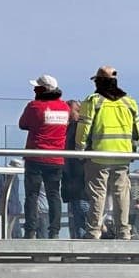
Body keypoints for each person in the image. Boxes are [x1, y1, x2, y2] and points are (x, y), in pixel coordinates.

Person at [75, 65, 139, 240]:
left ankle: (94, 231)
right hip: (123, 156)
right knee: (122, 194)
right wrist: (133, 149)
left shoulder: (93, 101)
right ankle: (124, 232)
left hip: (99, 155)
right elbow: (137, 133)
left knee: (98, 195)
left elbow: (84, 128)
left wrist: (80, 150)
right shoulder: (129, 102)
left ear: (99, 82)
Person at [18, 74, 69, 238]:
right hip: (56, 158)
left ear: (43, 89)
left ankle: (30, 230)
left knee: (32, 194)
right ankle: (54, 231)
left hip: (35, 156)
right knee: (54, 194)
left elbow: (23, 124)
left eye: (37, 87)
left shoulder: (34, 106)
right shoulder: (65, 108)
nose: (34, 89)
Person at [62, 99, 89, 238]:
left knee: (82, 213)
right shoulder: (68, 129)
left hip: (79, 182)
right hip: (72, 183)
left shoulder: (78, 128)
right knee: (76, 219)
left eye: (69, 110)